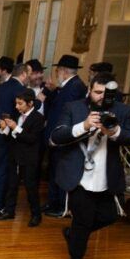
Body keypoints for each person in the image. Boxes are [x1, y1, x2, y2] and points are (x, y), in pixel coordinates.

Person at [50, 73, 130, 259]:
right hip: (80, 176)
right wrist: (84, 126)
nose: (101, 97)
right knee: (82, 220)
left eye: (106, 93)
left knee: (110, 216)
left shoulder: (123, 110)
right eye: (97, 92)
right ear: (89, 90)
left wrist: (115, 132)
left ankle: (73, 235)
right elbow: (56, 137)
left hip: (107, 176)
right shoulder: (74, 107)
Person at [43, 55, 88, 218]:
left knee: (61, 172)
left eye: (57, 71)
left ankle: (63, 206)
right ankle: (53, 203)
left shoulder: (75, 87)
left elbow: (67, 115)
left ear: (63, 71)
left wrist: (58, 136)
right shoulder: (67, 86)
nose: (56, 74)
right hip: (57, 137)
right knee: (54, 170)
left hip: (64, 138)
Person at [0, 88, 45, 226]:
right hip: (15, 156)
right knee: (11, 185)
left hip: (29, 159)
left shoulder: (38, 118)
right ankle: (9, 211)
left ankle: (36, 215)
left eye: (20, 103)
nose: (17, 106)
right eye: (16, 103)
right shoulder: (17, 115)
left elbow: (32, 139)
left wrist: (15, 127)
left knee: (31, 188)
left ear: (30, 103)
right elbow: (12, 138)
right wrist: (5, 128)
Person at [0, 57, 24, 214]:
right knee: (3, 169)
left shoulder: (1, 87)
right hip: (7, 134)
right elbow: (16, 111)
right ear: (23, 74)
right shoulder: (17, 88)